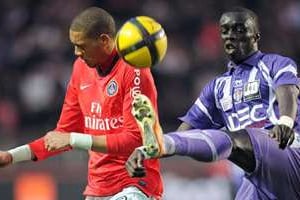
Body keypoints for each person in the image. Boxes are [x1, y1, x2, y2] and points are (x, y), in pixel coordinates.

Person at [125, 7, 300, 200]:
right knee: (227, 142)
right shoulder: (216, 88)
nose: (230, 36)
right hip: (256, 176)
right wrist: (149, 150)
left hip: (288, 153)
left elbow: (288, 91)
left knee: (231, 138)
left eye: (239, 30)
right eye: (225, 31)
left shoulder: (276, 63)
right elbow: (185, 134)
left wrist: (285, 122)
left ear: (256, 35)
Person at [0, 7, 163, 200]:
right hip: (97, 189)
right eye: (74, 46)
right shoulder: (80, 69)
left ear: (104, 40)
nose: (77, 52)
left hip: (134, 185)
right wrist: (11, 156)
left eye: (82, 46)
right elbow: (60, 136)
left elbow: (136, 139)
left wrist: (73, 139)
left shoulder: (133, 69)